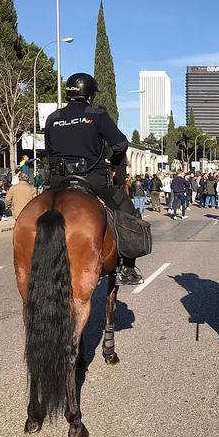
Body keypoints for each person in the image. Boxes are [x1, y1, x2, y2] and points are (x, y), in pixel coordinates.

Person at [44, 72, 143, 285]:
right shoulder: (96, 115)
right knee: (130, 214)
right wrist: (114, 160)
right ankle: (127, 268)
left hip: (58, 182)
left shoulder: (53, 118)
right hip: (92, 180)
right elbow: (121, 144)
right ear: (89, 95)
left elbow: (49, 150)